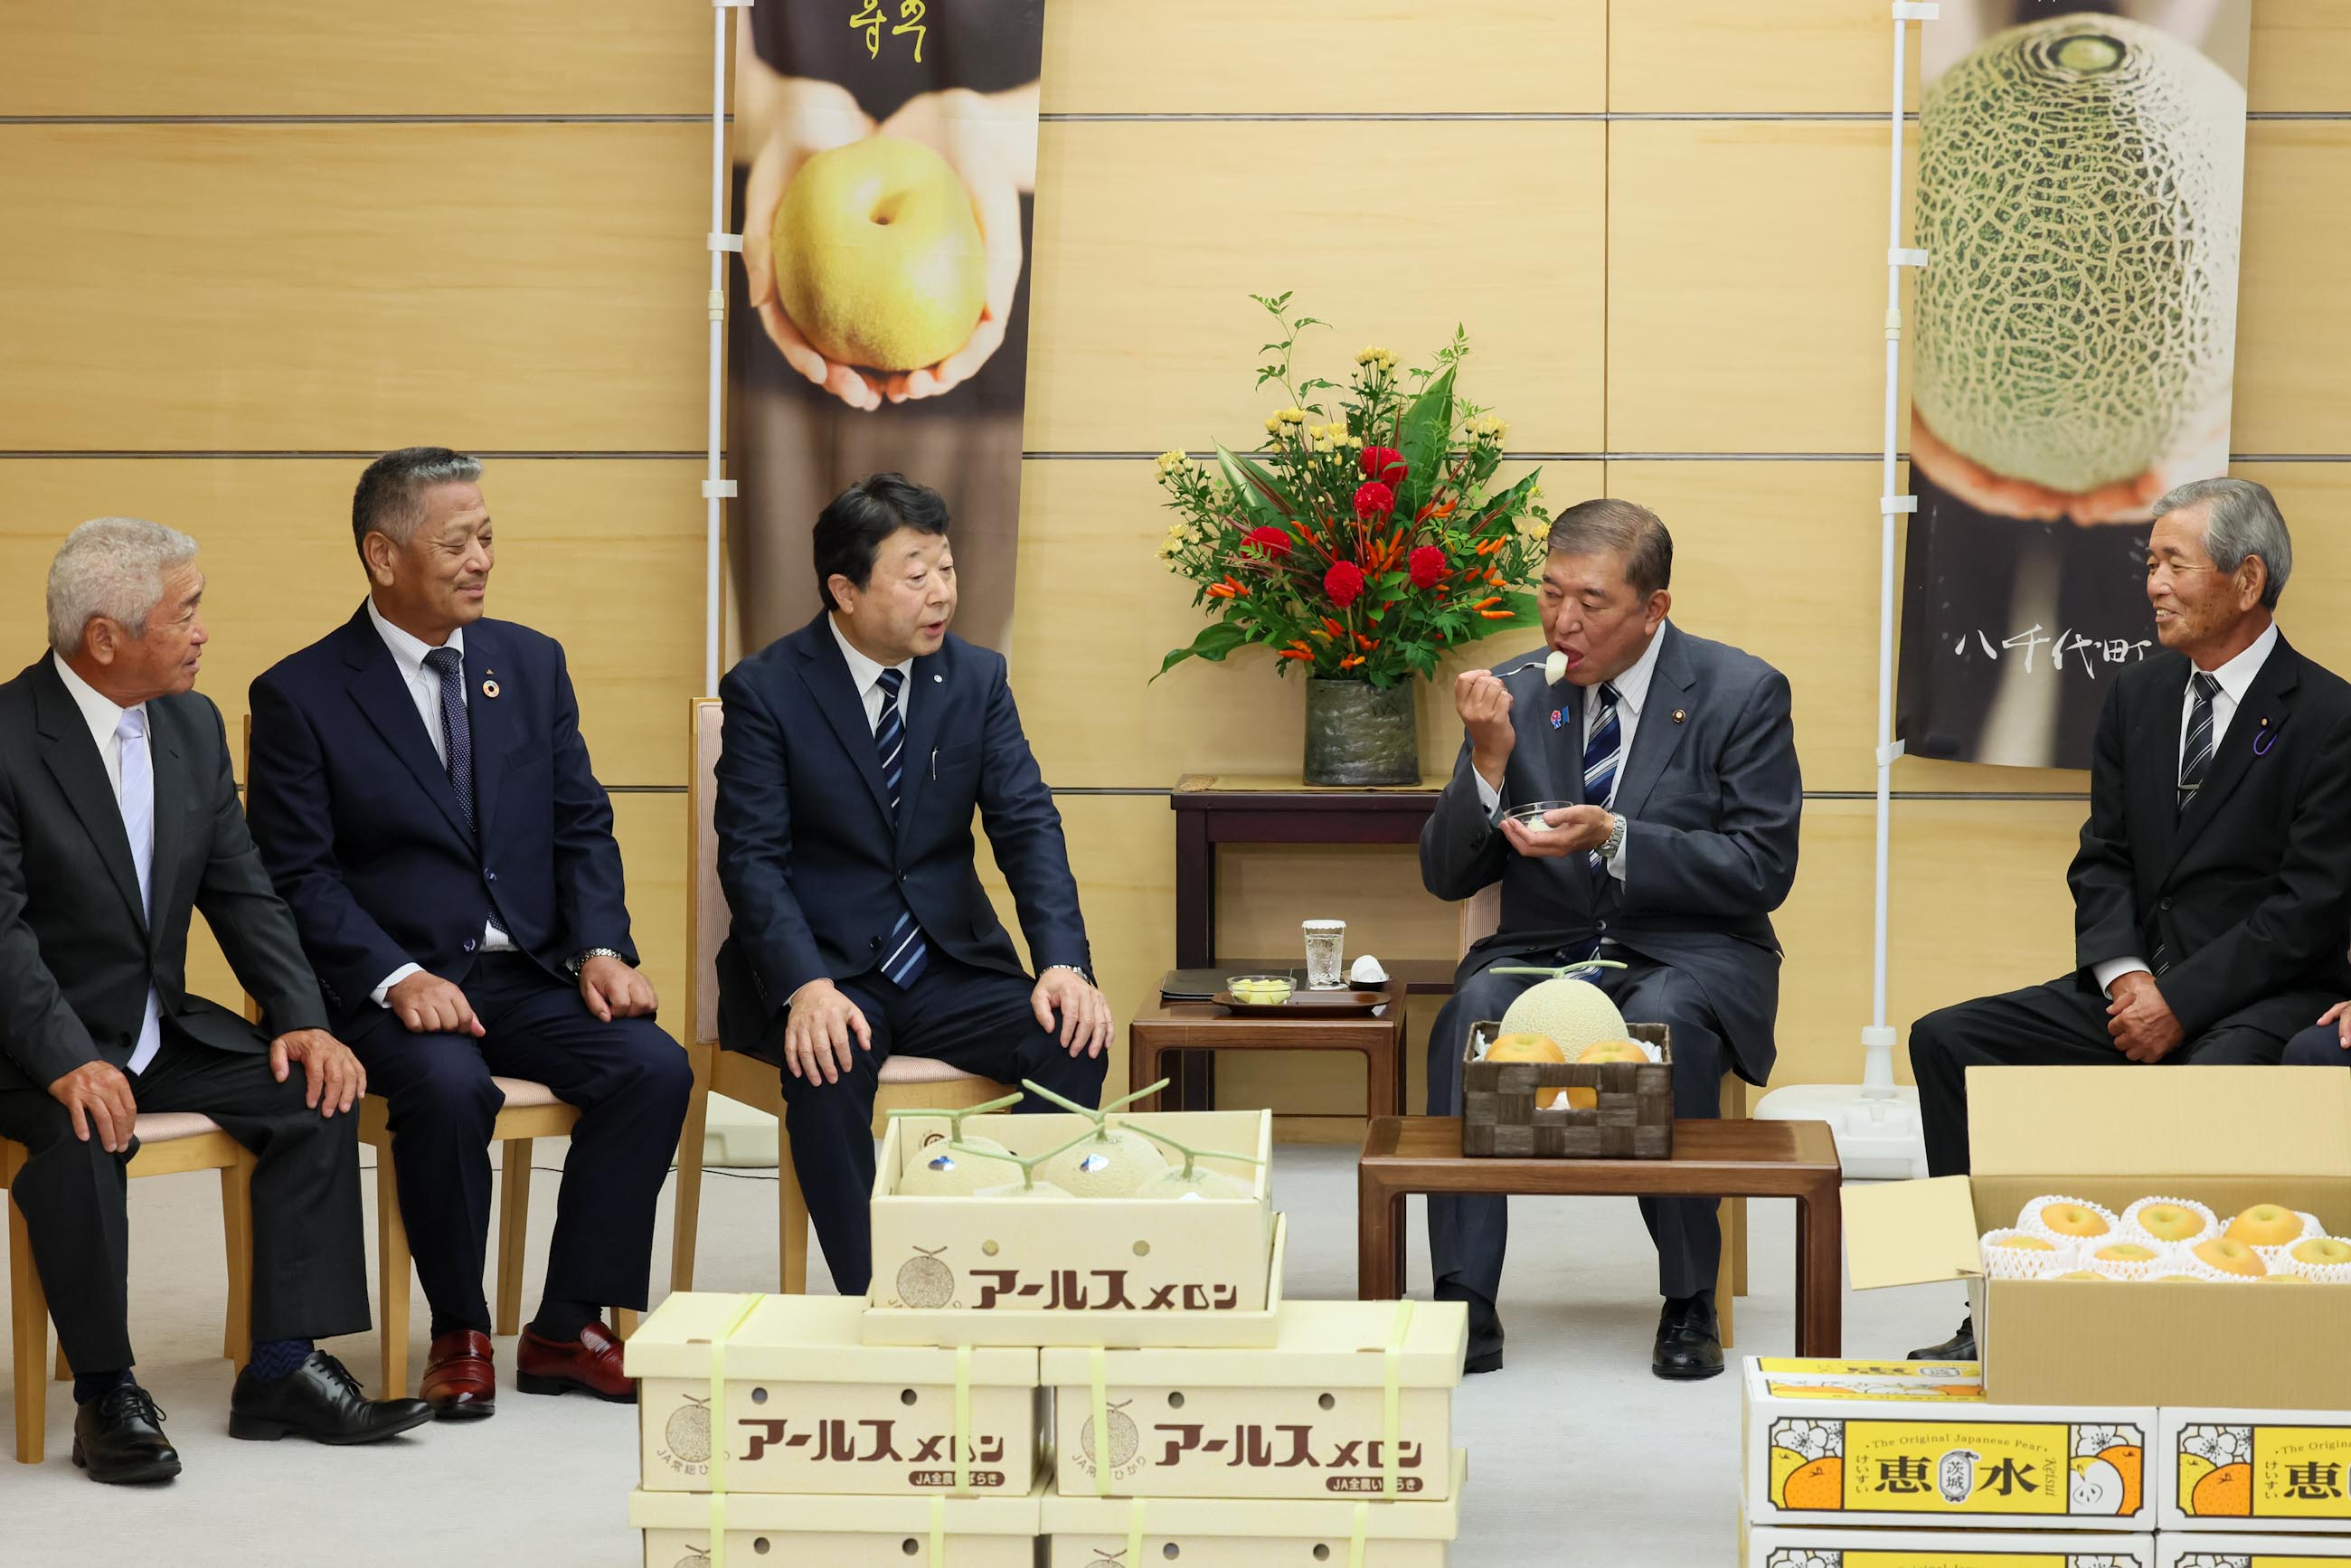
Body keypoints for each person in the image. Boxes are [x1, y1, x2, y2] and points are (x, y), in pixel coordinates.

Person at [245, 449, 692, 1419]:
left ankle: (565, 1324)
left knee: (651, 1067)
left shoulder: (529, 664)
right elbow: (296, 878)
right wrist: (395, 973)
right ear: (382, 554)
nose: (482, 558)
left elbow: (581, 825)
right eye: (457, 542)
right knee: (449, 1089)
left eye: (488, 536)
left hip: (527, 968)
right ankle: (458, 1327)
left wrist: (601, 949)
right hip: (390, 987)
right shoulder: (302, 694)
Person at [0, 518, 431, 1484]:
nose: (203, 631)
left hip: (159, 1031)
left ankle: (279, 1369)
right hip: (31, 1048)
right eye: (185, 613)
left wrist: (305, 1018)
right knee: (79, 1135)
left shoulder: (190, 725)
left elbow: (242, 889)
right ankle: (105, 1391)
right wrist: (69, 1056)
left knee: (313, 1091)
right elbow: (2, 938)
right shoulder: (6, 738)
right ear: (105, 638)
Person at [1906, 477, 2351, 1360]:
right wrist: (2127, 979)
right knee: (1942, 1041)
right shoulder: (2137, 696)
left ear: (2246, 579)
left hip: (2259, 994)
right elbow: (2101, 859)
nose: (2149, 584)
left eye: (2171, 565)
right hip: (2136, 983)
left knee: (2195, 1093)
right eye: (2146, 563)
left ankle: (2164, 1325)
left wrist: (2176, 1002)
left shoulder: (2329, 718)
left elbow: (2303, 912)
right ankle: (1982, 1305)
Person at [1421, 499, 1802, 1381]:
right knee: (1471, 1008)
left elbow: (1760, 868)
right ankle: (1463, 1297)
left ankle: (1686, 1298)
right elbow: (1444, 875)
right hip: (1541, 949)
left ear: (1652, 608)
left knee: (1667, 1020)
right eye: (1550, 593)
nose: (1562, 621)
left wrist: (1615, 836)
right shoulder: (1516, 692)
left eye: (1590, 602)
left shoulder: (1739, 692)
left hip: (1687, 950)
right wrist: (1483, 762)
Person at [715, 472, 1110, 1293]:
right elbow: (752, 858)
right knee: (826, 1057)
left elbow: (1028, 826)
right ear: (844, 590)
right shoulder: (768, 690)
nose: (941, 594)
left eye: (948, 569)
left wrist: (1065, 963)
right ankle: (884, 1295)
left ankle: (1001, 1263)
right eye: (916, 573)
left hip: (944, 962)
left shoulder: (975, 679)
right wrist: (804, 987)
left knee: (1073, 1033)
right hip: (827, 970)